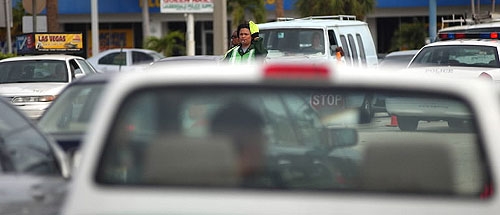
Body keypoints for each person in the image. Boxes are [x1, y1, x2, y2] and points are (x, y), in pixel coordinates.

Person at [209, 102, 280, 188]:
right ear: (250, 149)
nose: (265, 149)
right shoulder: (273, 193)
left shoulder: (196, 190)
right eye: (262, 140)